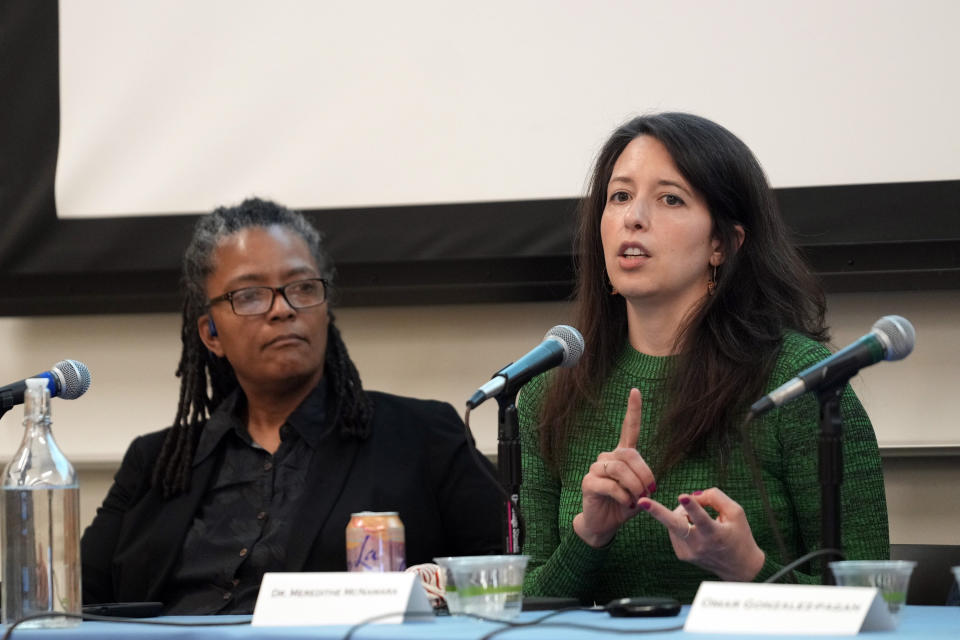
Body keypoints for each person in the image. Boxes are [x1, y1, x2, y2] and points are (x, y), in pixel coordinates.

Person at [518, 113, 889, 604]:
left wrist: (748, 568)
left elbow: (877, 601)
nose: (634, 217)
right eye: (620, 196)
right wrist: (590, 535)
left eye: (670, 198)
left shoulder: (803, 383)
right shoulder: (550, 392)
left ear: (723, 243)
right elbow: (524, 608)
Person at [81, 198, 502, 613]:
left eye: (302, 288)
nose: (282, 309)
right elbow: (69, 601)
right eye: (248, 295)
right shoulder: (155, 464)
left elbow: (506, 578)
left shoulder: (422, 435)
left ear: (325, 309)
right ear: (211, 333)